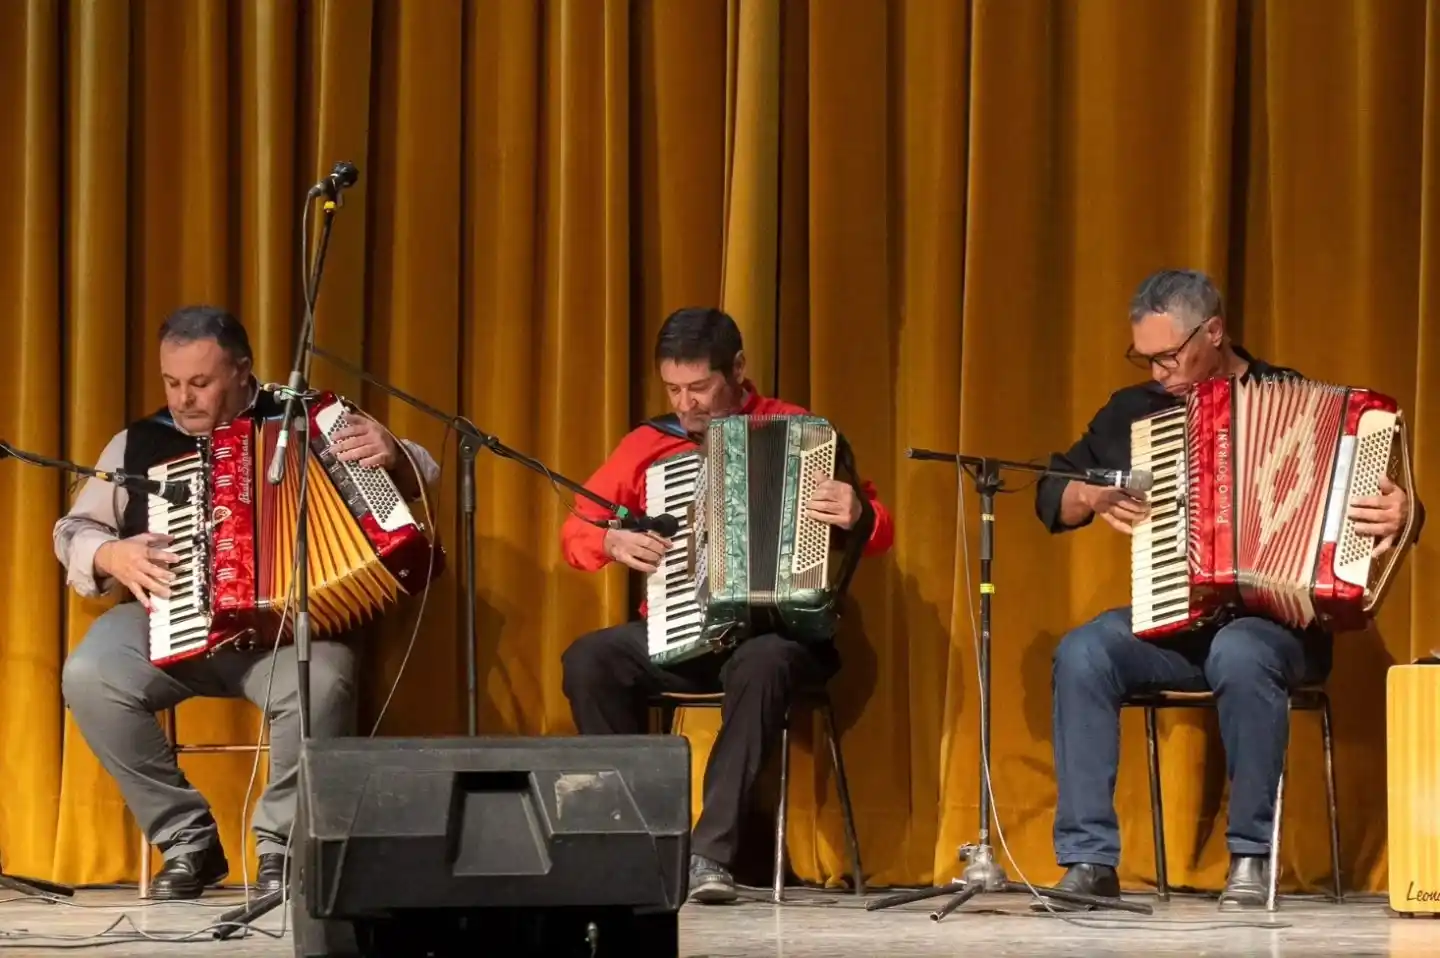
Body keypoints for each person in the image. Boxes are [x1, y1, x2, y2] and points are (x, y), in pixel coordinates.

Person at [1032, 269, 1422, 910]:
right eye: (1145, 357)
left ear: (1213, 332)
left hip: (1280, 630)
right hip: (1176, 623)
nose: (1157, 372)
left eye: (1169, 355)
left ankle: (1249, 858)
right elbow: (1052, 488)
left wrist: (1403, 512)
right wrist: (1088, 494)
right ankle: (1087, 862)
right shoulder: (1135, 413)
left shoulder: (1293, 398)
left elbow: (1388, 500)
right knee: (1084, 651)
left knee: (1239, 650)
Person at [54, 305, 440, 900]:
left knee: (326, 678)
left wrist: (397, 452)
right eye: (172, 382)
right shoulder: (138, 443)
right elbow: (72, 529)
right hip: (170, 617)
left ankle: (280, 852)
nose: (183, 398)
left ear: (241, 371)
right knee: (89, 674)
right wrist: (111, 555)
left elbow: (425, 471)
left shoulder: (311, 419)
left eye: (200, 383)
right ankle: (187, 840)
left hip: (284, 633)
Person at [559, 307, 894, 903]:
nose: (685, 404)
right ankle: (637, 844)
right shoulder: (648, 444)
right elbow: (576, 532)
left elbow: (879, 532)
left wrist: (858, 513)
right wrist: (611, 539)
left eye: (699, 387)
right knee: (590, 659)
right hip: (683, 631)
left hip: (784, 638)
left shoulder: (801, 432)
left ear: (737, 369)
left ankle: (711, 857)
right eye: (673, 389)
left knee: (761, 662)